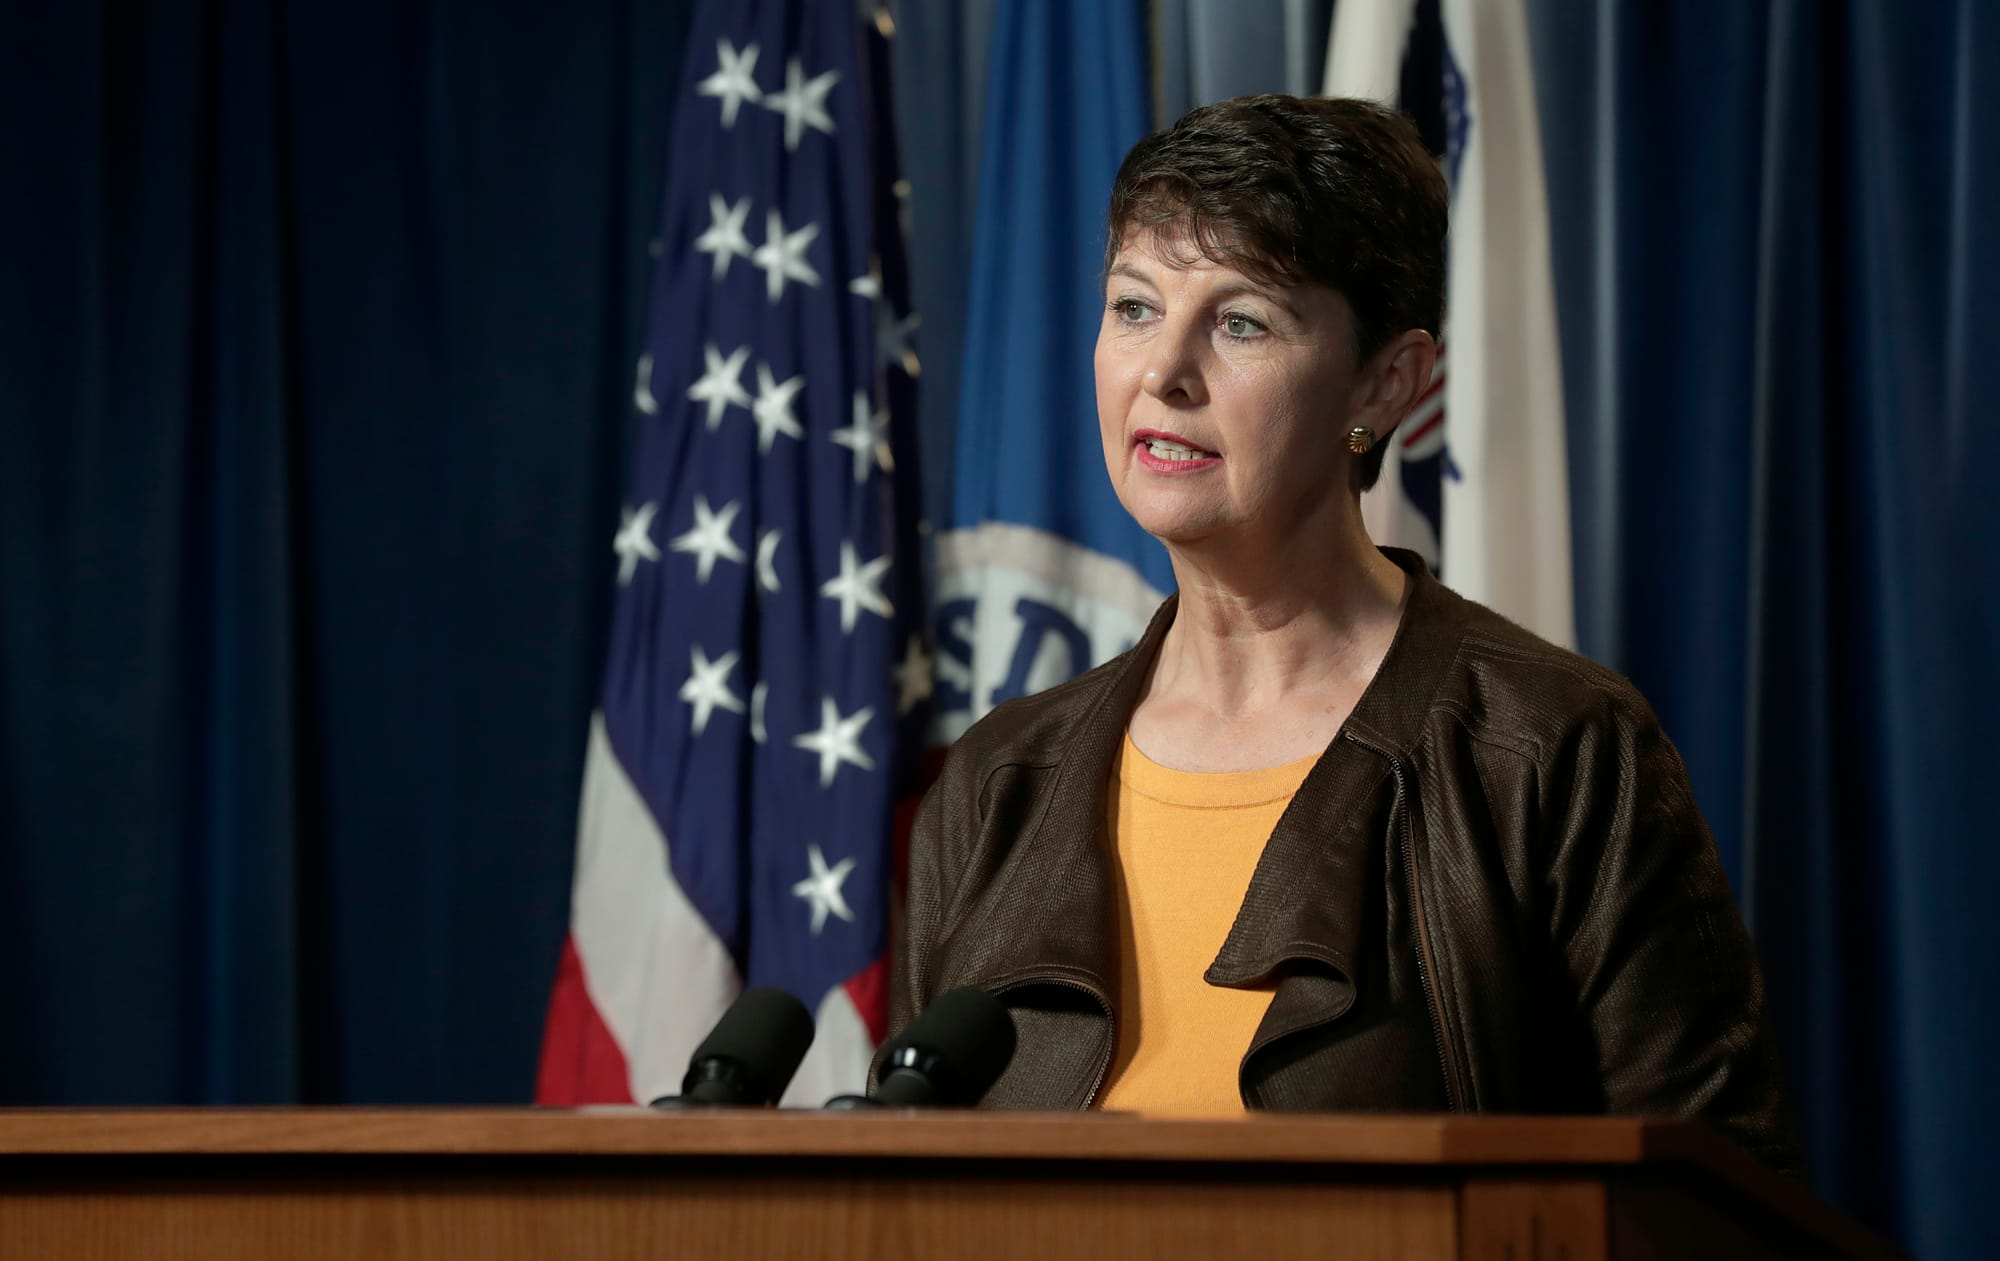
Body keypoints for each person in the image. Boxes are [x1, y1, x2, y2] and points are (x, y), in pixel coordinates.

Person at [892, 94, 1797, 1174]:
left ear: (1385, 383)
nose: (1162, 372)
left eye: (1239, 322)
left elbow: (1711, 1208)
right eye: (1133, 307)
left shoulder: (1553, 753)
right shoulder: (998, 781)